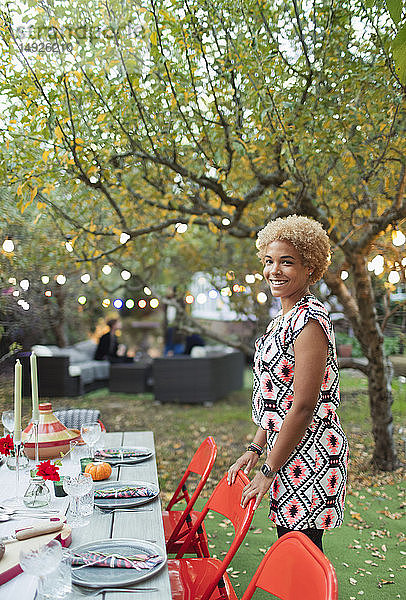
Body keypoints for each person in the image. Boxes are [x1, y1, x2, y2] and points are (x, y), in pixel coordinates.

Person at [227, 215, 348, 552]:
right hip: (287, 448)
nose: (274, 270)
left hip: (311, 450)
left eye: (287, 262)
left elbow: (305, 406)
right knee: (293, 547)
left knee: (301, 550)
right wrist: (255, 448)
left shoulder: (309, 319)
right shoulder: (285, 317)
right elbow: (275, 396)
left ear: (310, 268)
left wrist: (268, 470)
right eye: (269, 261)